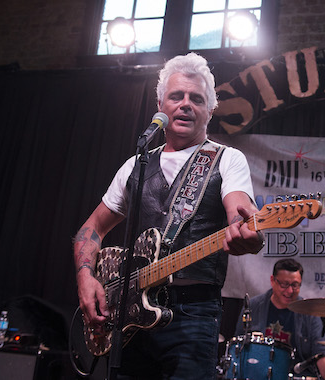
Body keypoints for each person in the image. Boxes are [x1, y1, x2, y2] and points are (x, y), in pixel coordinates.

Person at [73, 52, 264, 379]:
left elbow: (239, 212)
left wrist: (246, 232)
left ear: (210, 110)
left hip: (193, 314)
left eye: (197, 99)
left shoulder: (227, 160)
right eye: (177, 96)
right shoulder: (136, 165)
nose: (186, 104)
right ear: (161, 104)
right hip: (129, 317)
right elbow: (90, 230)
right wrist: (85, 277)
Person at [234, 258, 325, 379]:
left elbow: (321, 352)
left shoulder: (309, 313)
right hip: (258, 374)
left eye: (295, 285)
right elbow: (238, 347)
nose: (290, 291)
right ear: (272, 281)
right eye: (284, 284)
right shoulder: (253, 307)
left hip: (296, 375)